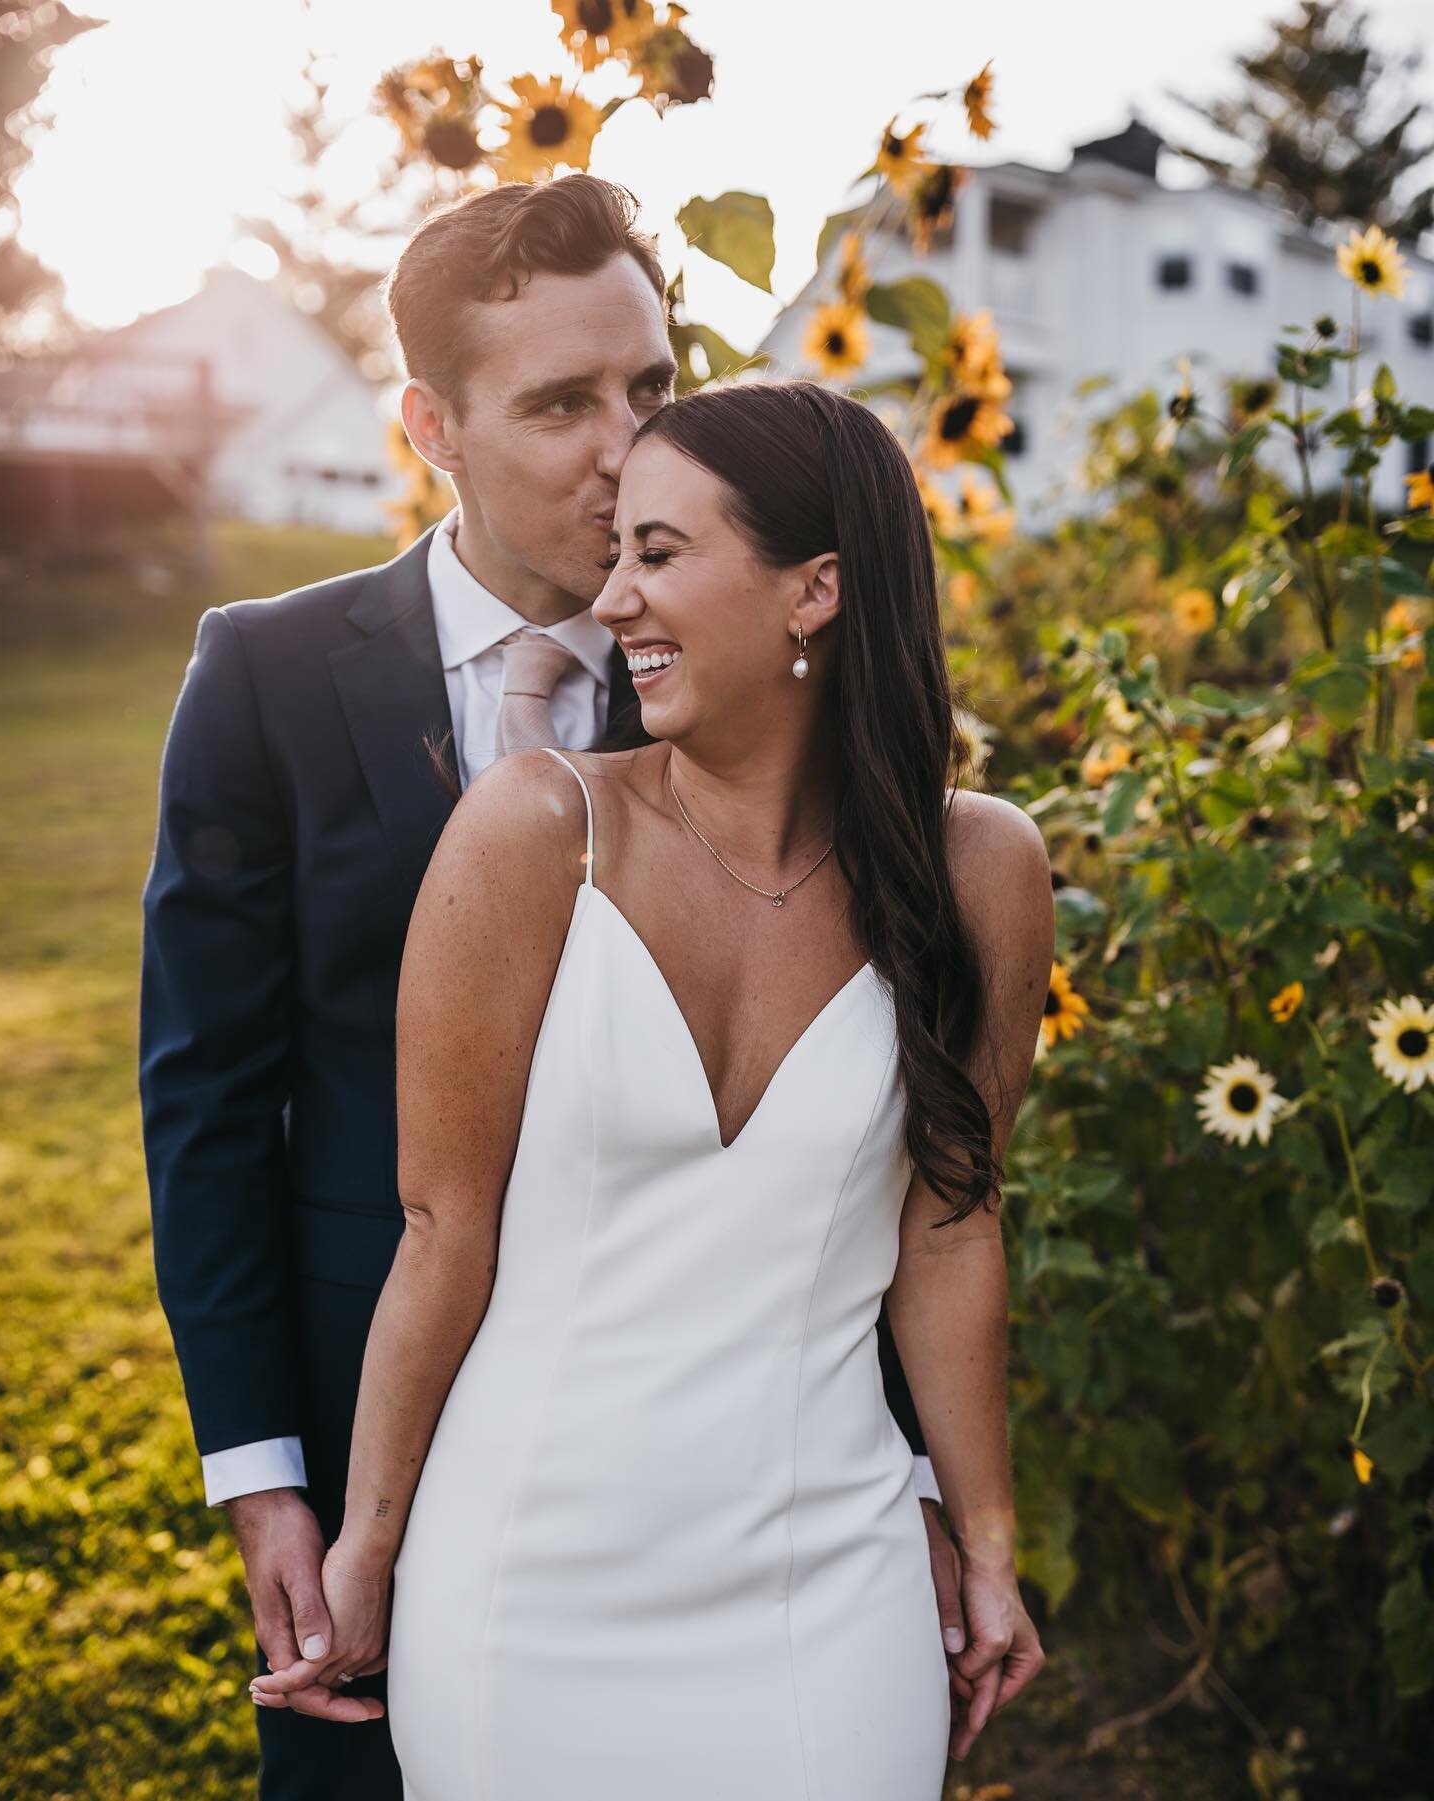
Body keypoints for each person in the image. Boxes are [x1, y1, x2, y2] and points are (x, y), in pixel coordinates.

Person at [137, 174, 987, 1800]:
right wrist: (264, 1474)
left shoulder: (756, 686)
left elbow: (876, 1138)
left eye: (652, 387)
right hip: (362, 1398)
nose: (628, 449)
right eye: (559, 404)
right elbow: (210, 1106)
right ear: (429, 428)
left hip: (738, 1475)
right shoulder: (262, 680)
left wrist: (922, 1491)